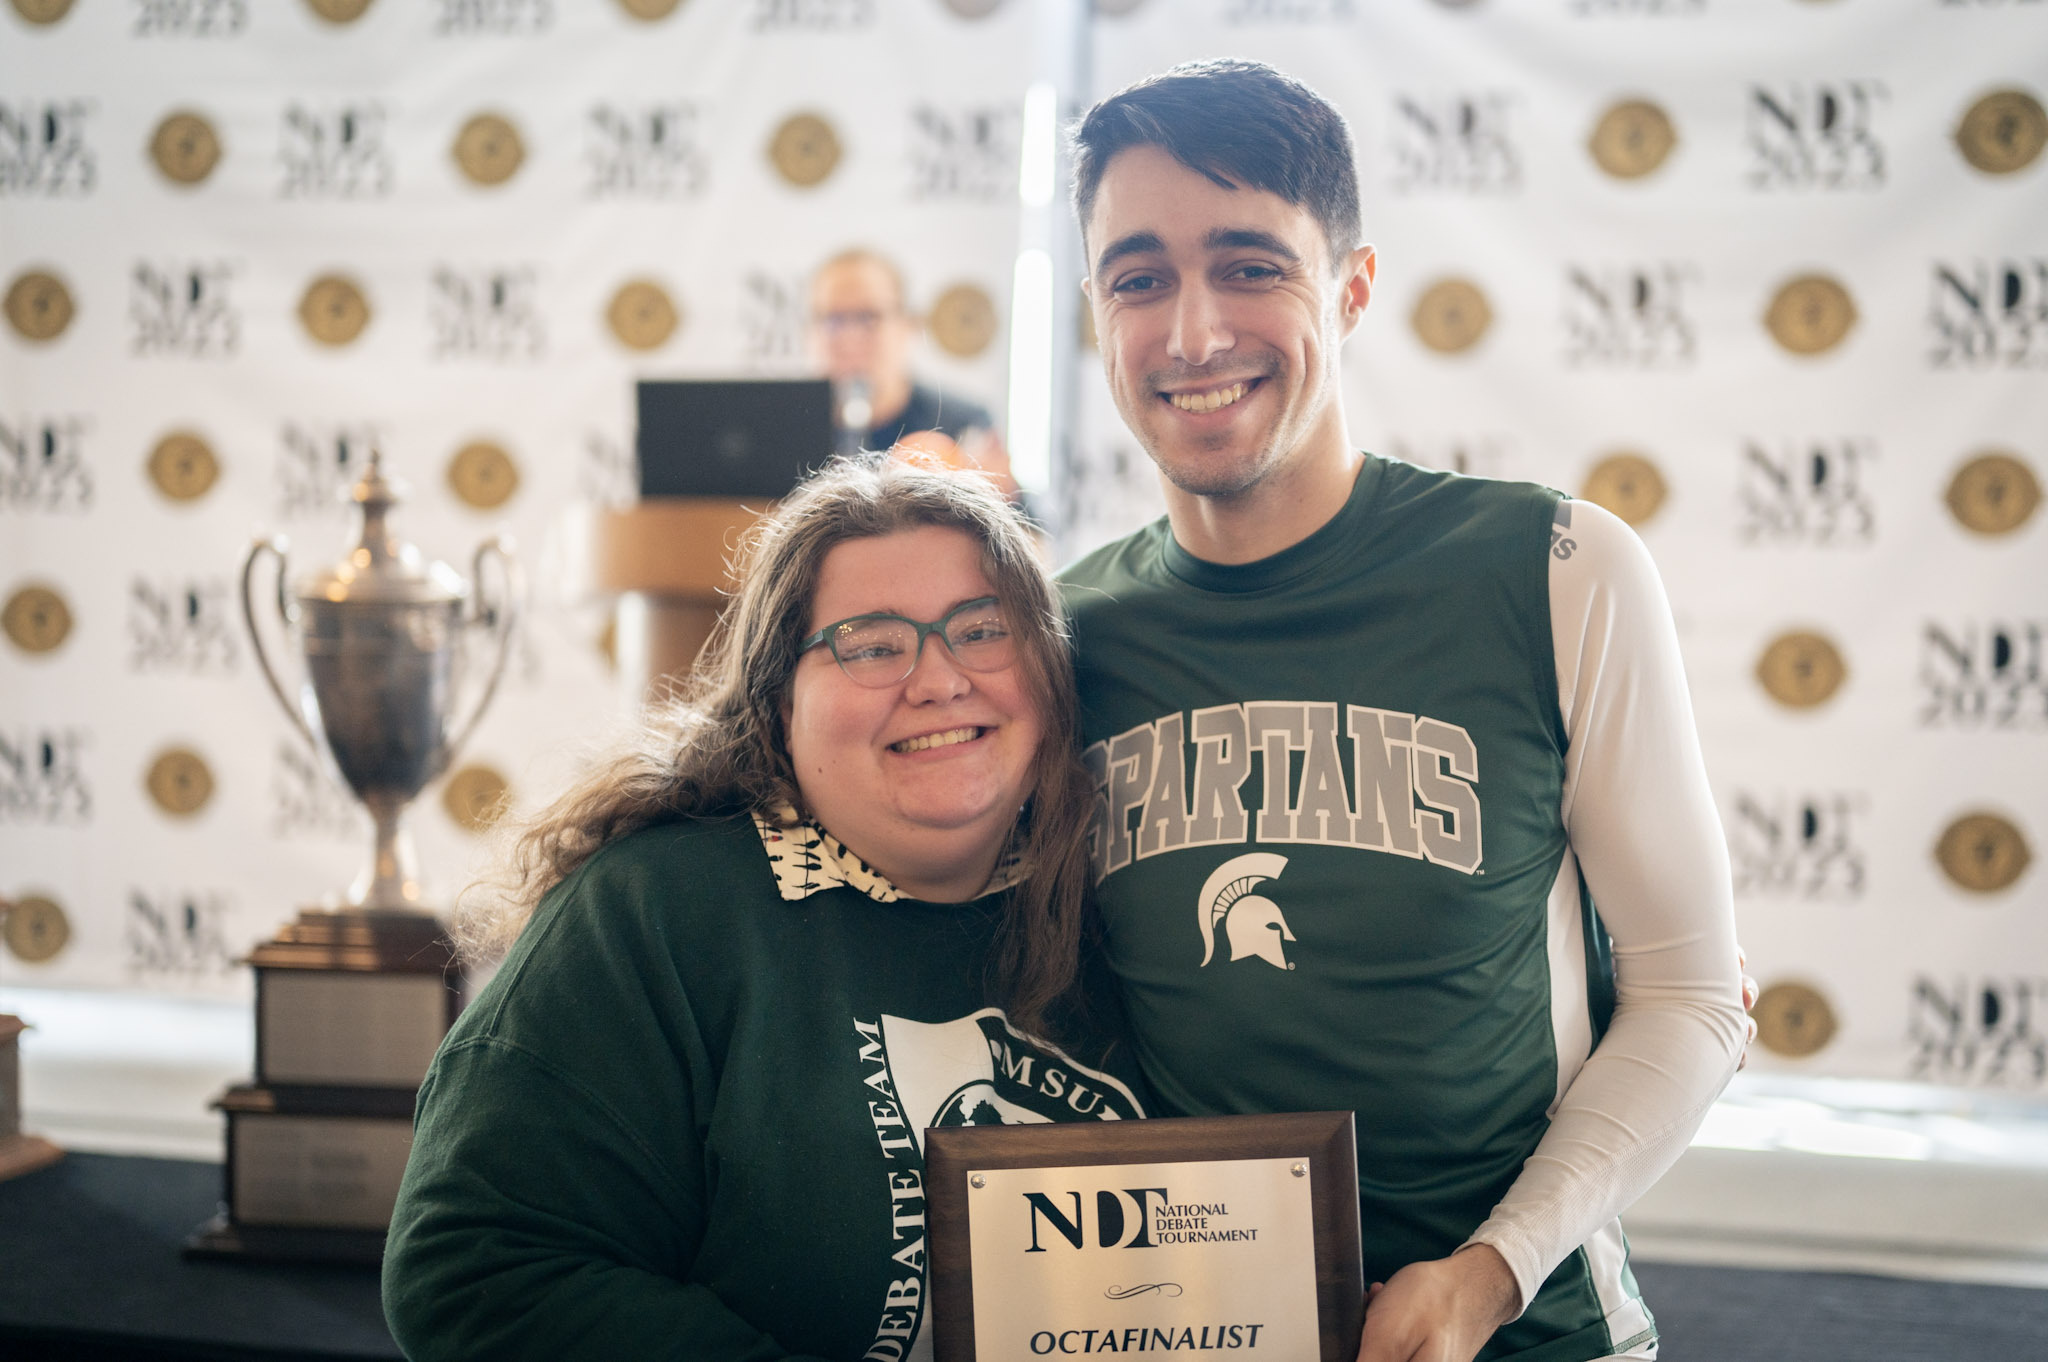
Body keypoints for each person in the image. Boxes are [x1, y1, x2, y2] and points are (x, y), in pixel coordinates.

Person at [1058, 61, 1749, 1362]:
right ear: (1097, 310)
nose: (1193, 331)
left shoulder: (1555, 566)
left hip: (1528, 1332)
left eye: (1252, 265)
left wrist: (1488, 1274)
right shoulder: (1069, 637)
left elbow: (1693, 995)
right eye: (1138, 278)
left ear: (1354, 287)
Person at [381, 459, 1146, 1360]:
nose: (939, 680)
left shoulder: (1123, 900)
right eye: (871, 644)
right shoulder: (655, 914)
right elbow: (475, 1268)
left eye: (983, 631)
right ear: (778, 698)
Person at [809, 248, 1034, 518]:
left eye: (868, 317)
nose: (850, 337)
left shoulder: (962, 426)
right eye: (833, 320)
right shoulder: (784, 426)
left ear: (908, 324)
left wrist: (987, 508)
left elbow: (1034, 542)